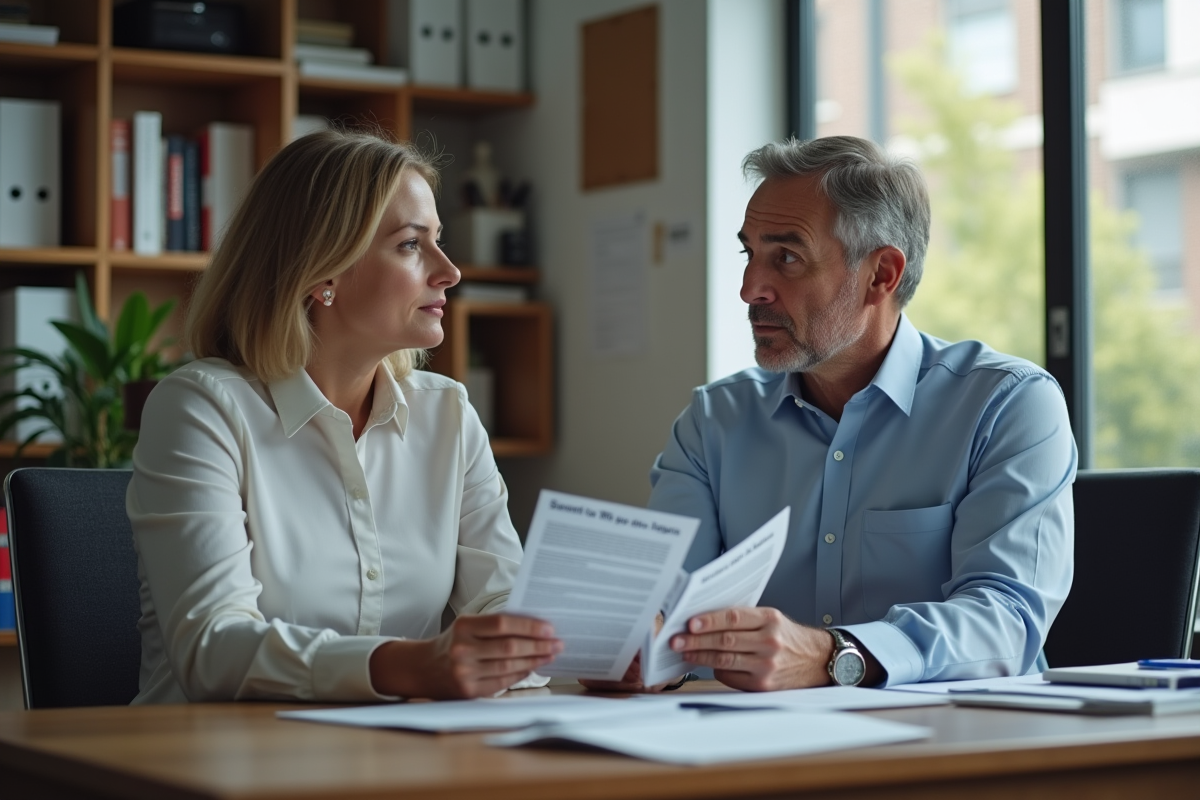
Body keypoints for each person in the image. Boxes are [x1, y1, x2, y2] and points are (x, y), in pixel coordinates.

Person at [598, 135, 1076, 692]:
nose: (750, 288)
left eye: (788, 258)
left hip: (952, 751)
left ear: (881, 276)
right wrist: (638, 648)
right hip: (748, 750)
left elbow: (1006, 620)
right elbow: (668, 610)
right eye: (749, 253)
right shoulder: (713, 423)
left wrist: (834, 656)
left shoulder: (1007, 405)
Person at [126, 129, 561, 704]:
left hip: (397, 759)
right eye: (411, 245)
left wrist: (573, 643)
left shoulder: (446, 413)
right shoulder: (203, 408)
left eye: (438, 241)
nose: (449, 271)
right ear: (323, 272)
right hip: (215, 768)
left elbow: (502, 601)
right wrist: (408, 666)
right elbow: (213, 645)